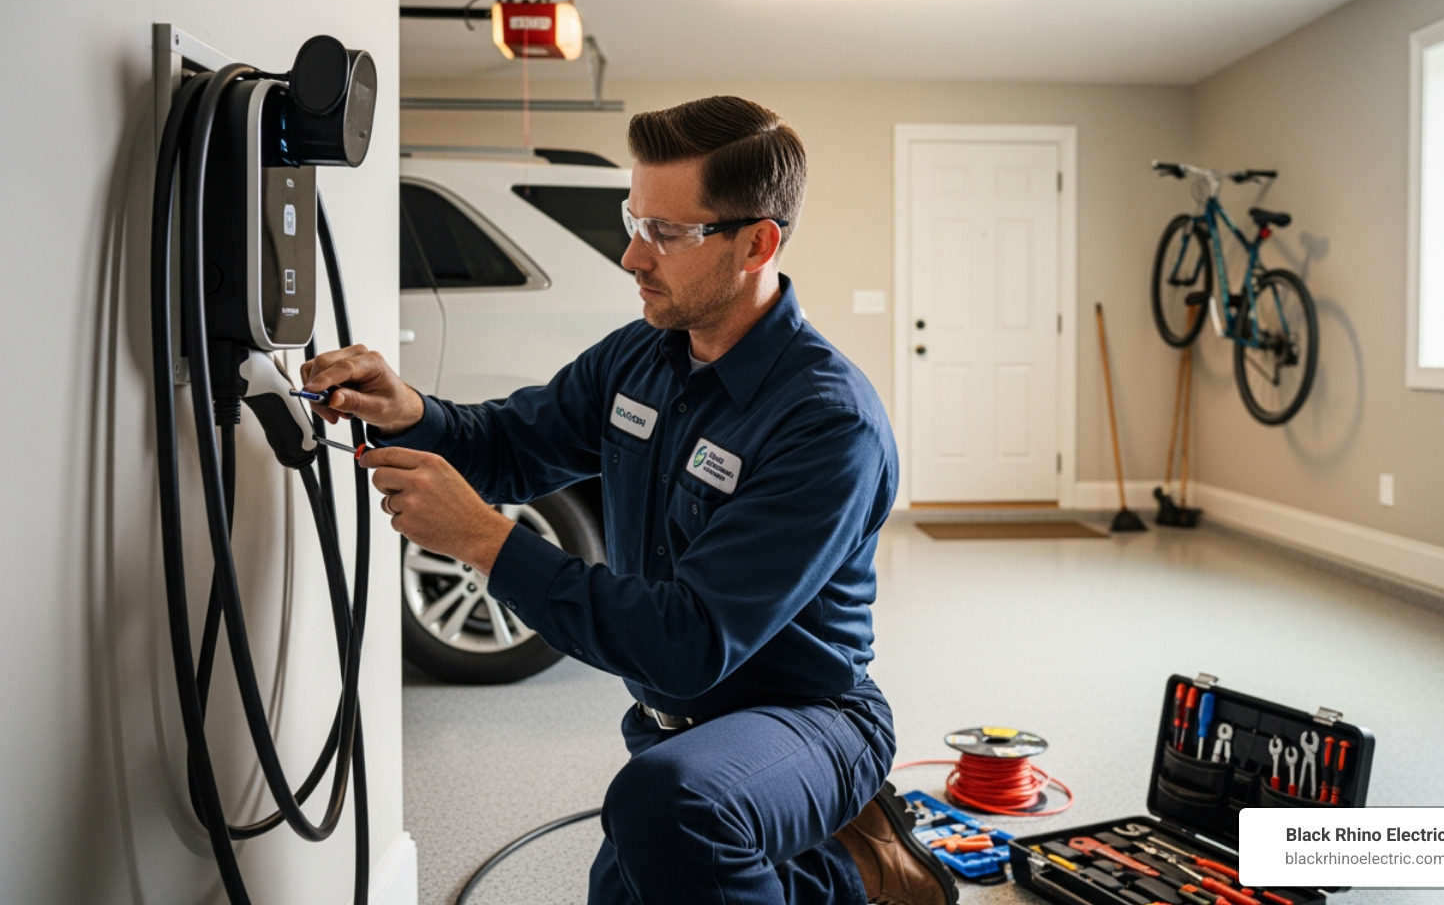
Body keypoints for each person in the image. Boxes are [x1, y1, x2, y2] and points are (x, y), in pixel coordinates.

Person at [301, 96, 957, 905]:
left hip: (811, 721)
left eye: (665, 233)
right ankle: (845, 872)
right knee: (641, 858)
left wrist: (486, 542)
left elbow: (687, 640)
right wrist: (412, 411)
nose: (630, 256)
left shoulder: (826, 422)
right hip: (670, 733)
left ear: (758, 243)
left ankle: (838, 846)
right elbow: (512, 442)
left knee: (671, 808)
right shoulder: (641, 358)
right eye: (632, 219)